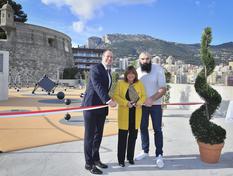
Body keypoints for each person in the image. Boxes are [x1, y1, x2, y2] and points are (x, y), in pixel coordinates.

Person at [82, 50, 117, 175]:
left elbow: (105, 88)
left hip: (101, 108)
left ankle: (96, 159)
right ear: (103, 57)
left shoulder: (108, 71)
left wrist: (110, 99)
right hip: (91, 106)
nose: (110, 59)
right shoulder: (96, 68)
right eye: (108, 56)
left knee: (98, 135)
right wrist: (108, 100)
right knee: (89, 136)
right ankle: (89, 163)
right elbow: (97, 86)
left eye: (111, 57)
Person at [135, 52, 167, 168]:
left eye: (147, 59)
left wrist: (151, 99)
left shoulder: (158, 69)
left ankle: (159, 155)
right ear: (139, 60)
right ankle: (145, 151)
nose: (145, 61)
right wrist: (137, 101)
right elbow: (133, 88)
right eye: (142, 59)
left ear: (151, 59)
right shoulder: (137, 71)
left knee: (157, 129)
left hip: (156, 105)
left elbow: (163, 89)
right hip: (142, 106)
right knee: (143, 128)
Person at [113, 66, 146, 167]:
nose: (131, 75)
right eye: (129, 73)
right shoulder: (120, 83)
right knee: (122, 139)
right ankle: (121, 160)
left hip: (135, 115)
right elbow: (115, 96)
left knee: (133, 138)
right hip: (124, 115)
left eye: (133, 73)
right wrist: (126, 103)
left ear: (135, 74)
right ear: (126, 74)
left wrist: (139, 103)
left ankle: (130, 157)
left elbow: (144, 96)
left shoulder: (139, 84)